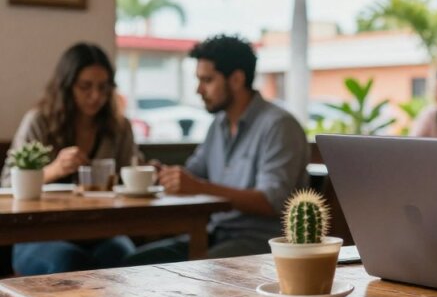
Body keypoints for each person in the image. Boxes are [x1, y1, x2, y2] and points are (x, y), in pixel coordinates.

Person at [123, 35, 309, 264]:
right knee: (131, 263)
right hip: (213, 235)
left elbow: (271, 201)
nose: (199, 90)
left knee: (192, 272)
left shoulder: (279, 126)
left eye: (207, 80)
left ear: (237, 79)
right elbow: (194, 173)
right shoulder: (218, 125)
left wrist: (198, 186)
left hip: (261, 244)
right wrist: (164, 174)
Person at [1, 43, 139, 274]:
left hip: (100, 231)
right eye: (85, 86)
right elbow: (7, 184)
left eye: (103, 88)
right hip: (38, 234)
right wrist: (53, 170)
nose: (96, 96)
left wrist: (145, 172)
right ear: (66, 86)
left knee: (125, 259)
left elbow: (130, 175)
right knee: (70, 261)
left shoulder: (119, 128)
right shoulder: (39, 122)